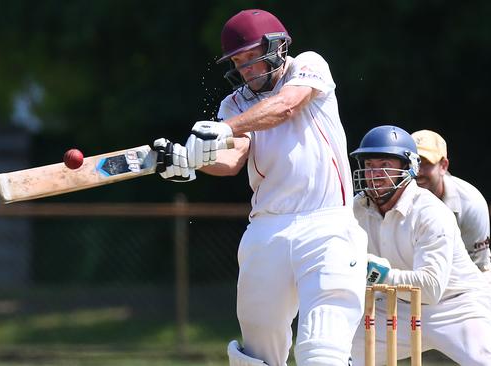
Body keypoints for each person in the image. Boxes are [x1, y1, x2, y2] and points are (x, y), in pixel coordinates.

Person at [154, 9, 368, 366]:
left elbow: (285, 106)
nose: (246, 68)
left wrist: (225, 129)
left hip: (327, 225)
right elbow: (233, 157)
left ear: (278, 46)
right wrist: (190, 160)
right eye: (238, 61)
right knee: (258, 355)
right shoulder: (234, 104)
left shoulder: (308, 66)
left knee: (322, 352)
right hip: (267, 230)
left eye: (252, 57)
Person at [349, 125, 491, 365]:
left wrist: (380, 276)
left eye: (384, 165)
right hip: (397, 306)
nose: (375, 174)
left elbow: (431, 288)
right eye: (369, 166)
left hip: (456, 306)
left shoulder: (430, 212)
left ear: (408, 167)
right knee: (333, 348)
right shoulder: (357, 208)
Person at [411, 129, 491, 365]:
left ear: (443, 165)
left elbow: (478, 266)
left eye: (426, 164)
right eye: (413, 163)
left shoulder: (470, 203)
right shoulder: (393, 194)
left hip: (467, 276)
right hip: (412, 277)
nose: (418, 172)